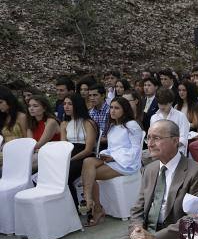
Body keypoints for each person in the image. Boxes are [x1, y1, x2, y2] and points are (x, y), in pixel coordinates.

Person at [80, 97, 144, 226]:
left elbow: (135, 149)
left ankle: (93, 206)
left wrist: (114, 157)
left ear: (124, 110)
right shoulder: (113, 126)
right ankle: (89, 200)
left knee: (89, 174)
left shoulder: (131, 125)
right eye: (111, 107)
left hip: (127, 163)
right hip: (114, 159)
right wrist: (105, 155)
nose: (112, 111)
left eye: (117, 108)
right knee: (88, 162)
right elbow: (112, 148)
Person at [60, 94, 98, 208]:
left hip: (84, 156)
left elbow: (88, 149)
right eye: (64, 104)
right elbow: (63, 145)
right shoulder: (64, 124)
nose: (66, 107)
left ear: (77, 105)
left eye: (70, 104)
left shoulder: (88, 123)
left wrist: (70, 159)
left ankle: (74, 207)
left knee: (65, 176)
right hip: (69, 154)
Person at [148, 88, 191, 154]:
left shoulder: (180, 116)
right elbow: (152, 137)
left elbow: (183, 139)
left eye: (165, 104)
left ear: (171, 102)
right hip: (158, 152)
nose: (162, 107)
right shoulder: (154, 118)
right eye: (160, 103)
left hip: (176, 152)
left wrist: (168, 147)